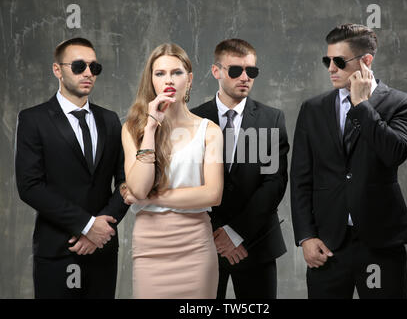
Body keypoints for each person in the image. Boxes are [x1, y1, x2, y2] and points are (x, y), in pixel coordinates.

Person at [290, 24, 407, 299]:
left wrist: (362, 106)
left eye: (339, 61)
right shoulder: (313, 109)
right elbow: (301, 178)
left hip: (381, 243)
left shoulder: (402, 103)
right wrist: (306, 236)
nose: (331, 68)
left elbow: (395, 152)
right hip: (328, 245)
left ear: (366, 61)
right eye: (328, 61)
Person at [15, 37, 129, 298]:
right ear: (58, 70)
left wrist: (102, 229)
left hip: (103, 249)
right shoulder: (33, 119)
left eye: (94, 67)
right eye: (79, 66)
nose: (88, 73)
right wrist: (87, 225)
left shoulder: (110, 120)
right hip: (58, 249)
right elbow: (30, 186)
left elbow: (125, 181)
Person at [120, 43, 223, 299]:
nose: (168, 80)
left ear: (189, 79)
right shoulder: (133, 128)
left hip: (195, 247)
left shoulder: (209, 130)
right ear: (151, 80)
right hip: (150, 248)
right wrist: (152, 126)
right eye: (160, 73)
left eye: (176, 73)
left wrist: (150, 198)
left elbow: (212, 194)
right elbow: (140, 186)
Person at [191, 38, 289, 299]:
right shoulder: (194, 120)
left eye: (251, 71)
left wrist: (235, 233)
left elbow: (274, 183)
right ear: (216, 71)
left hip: (256, 244)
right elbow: (189, 182)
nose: (244, 77)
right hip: (205, 243)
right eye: (235, 70)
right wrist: (218, 232)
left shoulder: (272, 118)